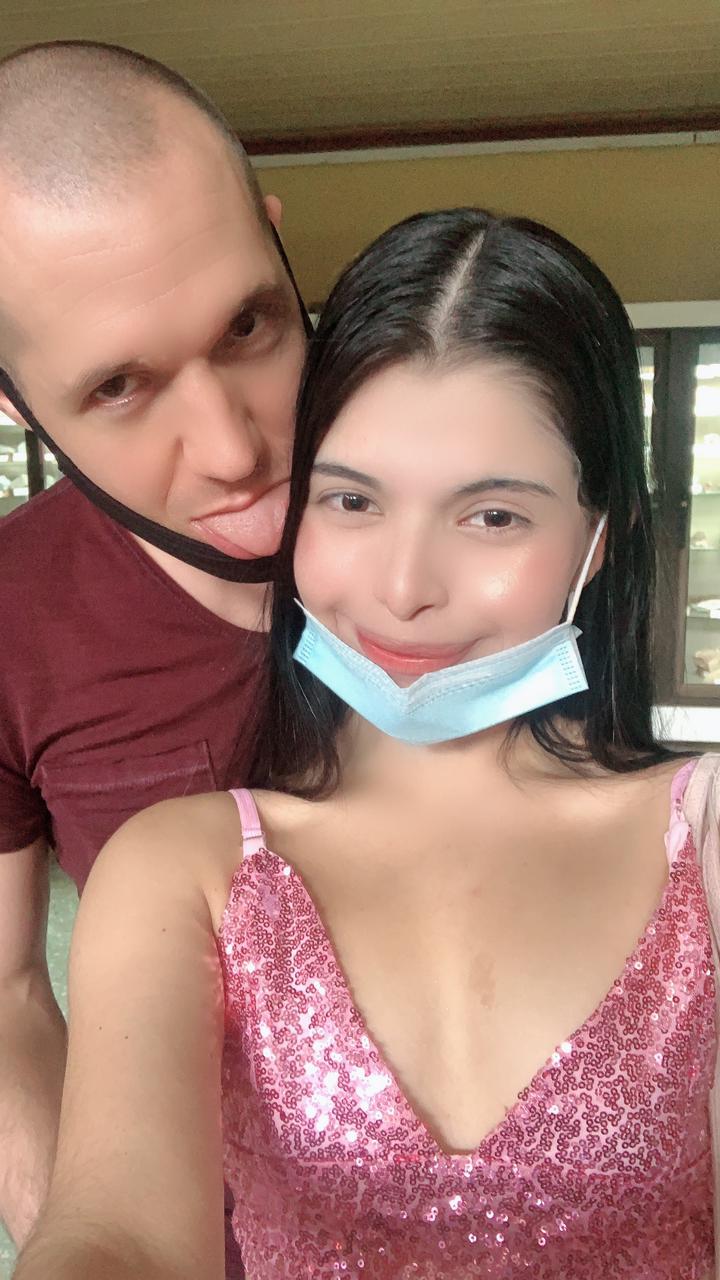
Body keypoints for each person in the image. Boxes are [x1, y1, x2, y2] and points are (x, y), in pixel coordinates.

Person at [15, 209, 713, 1280]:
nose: (403, 588)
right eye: (351, 500)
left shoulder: (700, 840)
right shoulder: (182, 865)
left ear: (598, 539)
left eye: (493, 516)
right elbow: (122, 1231)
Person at [0, 38, 307, 1272]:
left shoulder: (471, 505)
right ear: (16, 402)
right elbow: (8, 998)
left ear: (280, 245)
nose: (231, 449)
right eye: (121, 385)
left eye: (250, 324)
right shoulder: (11, 613)